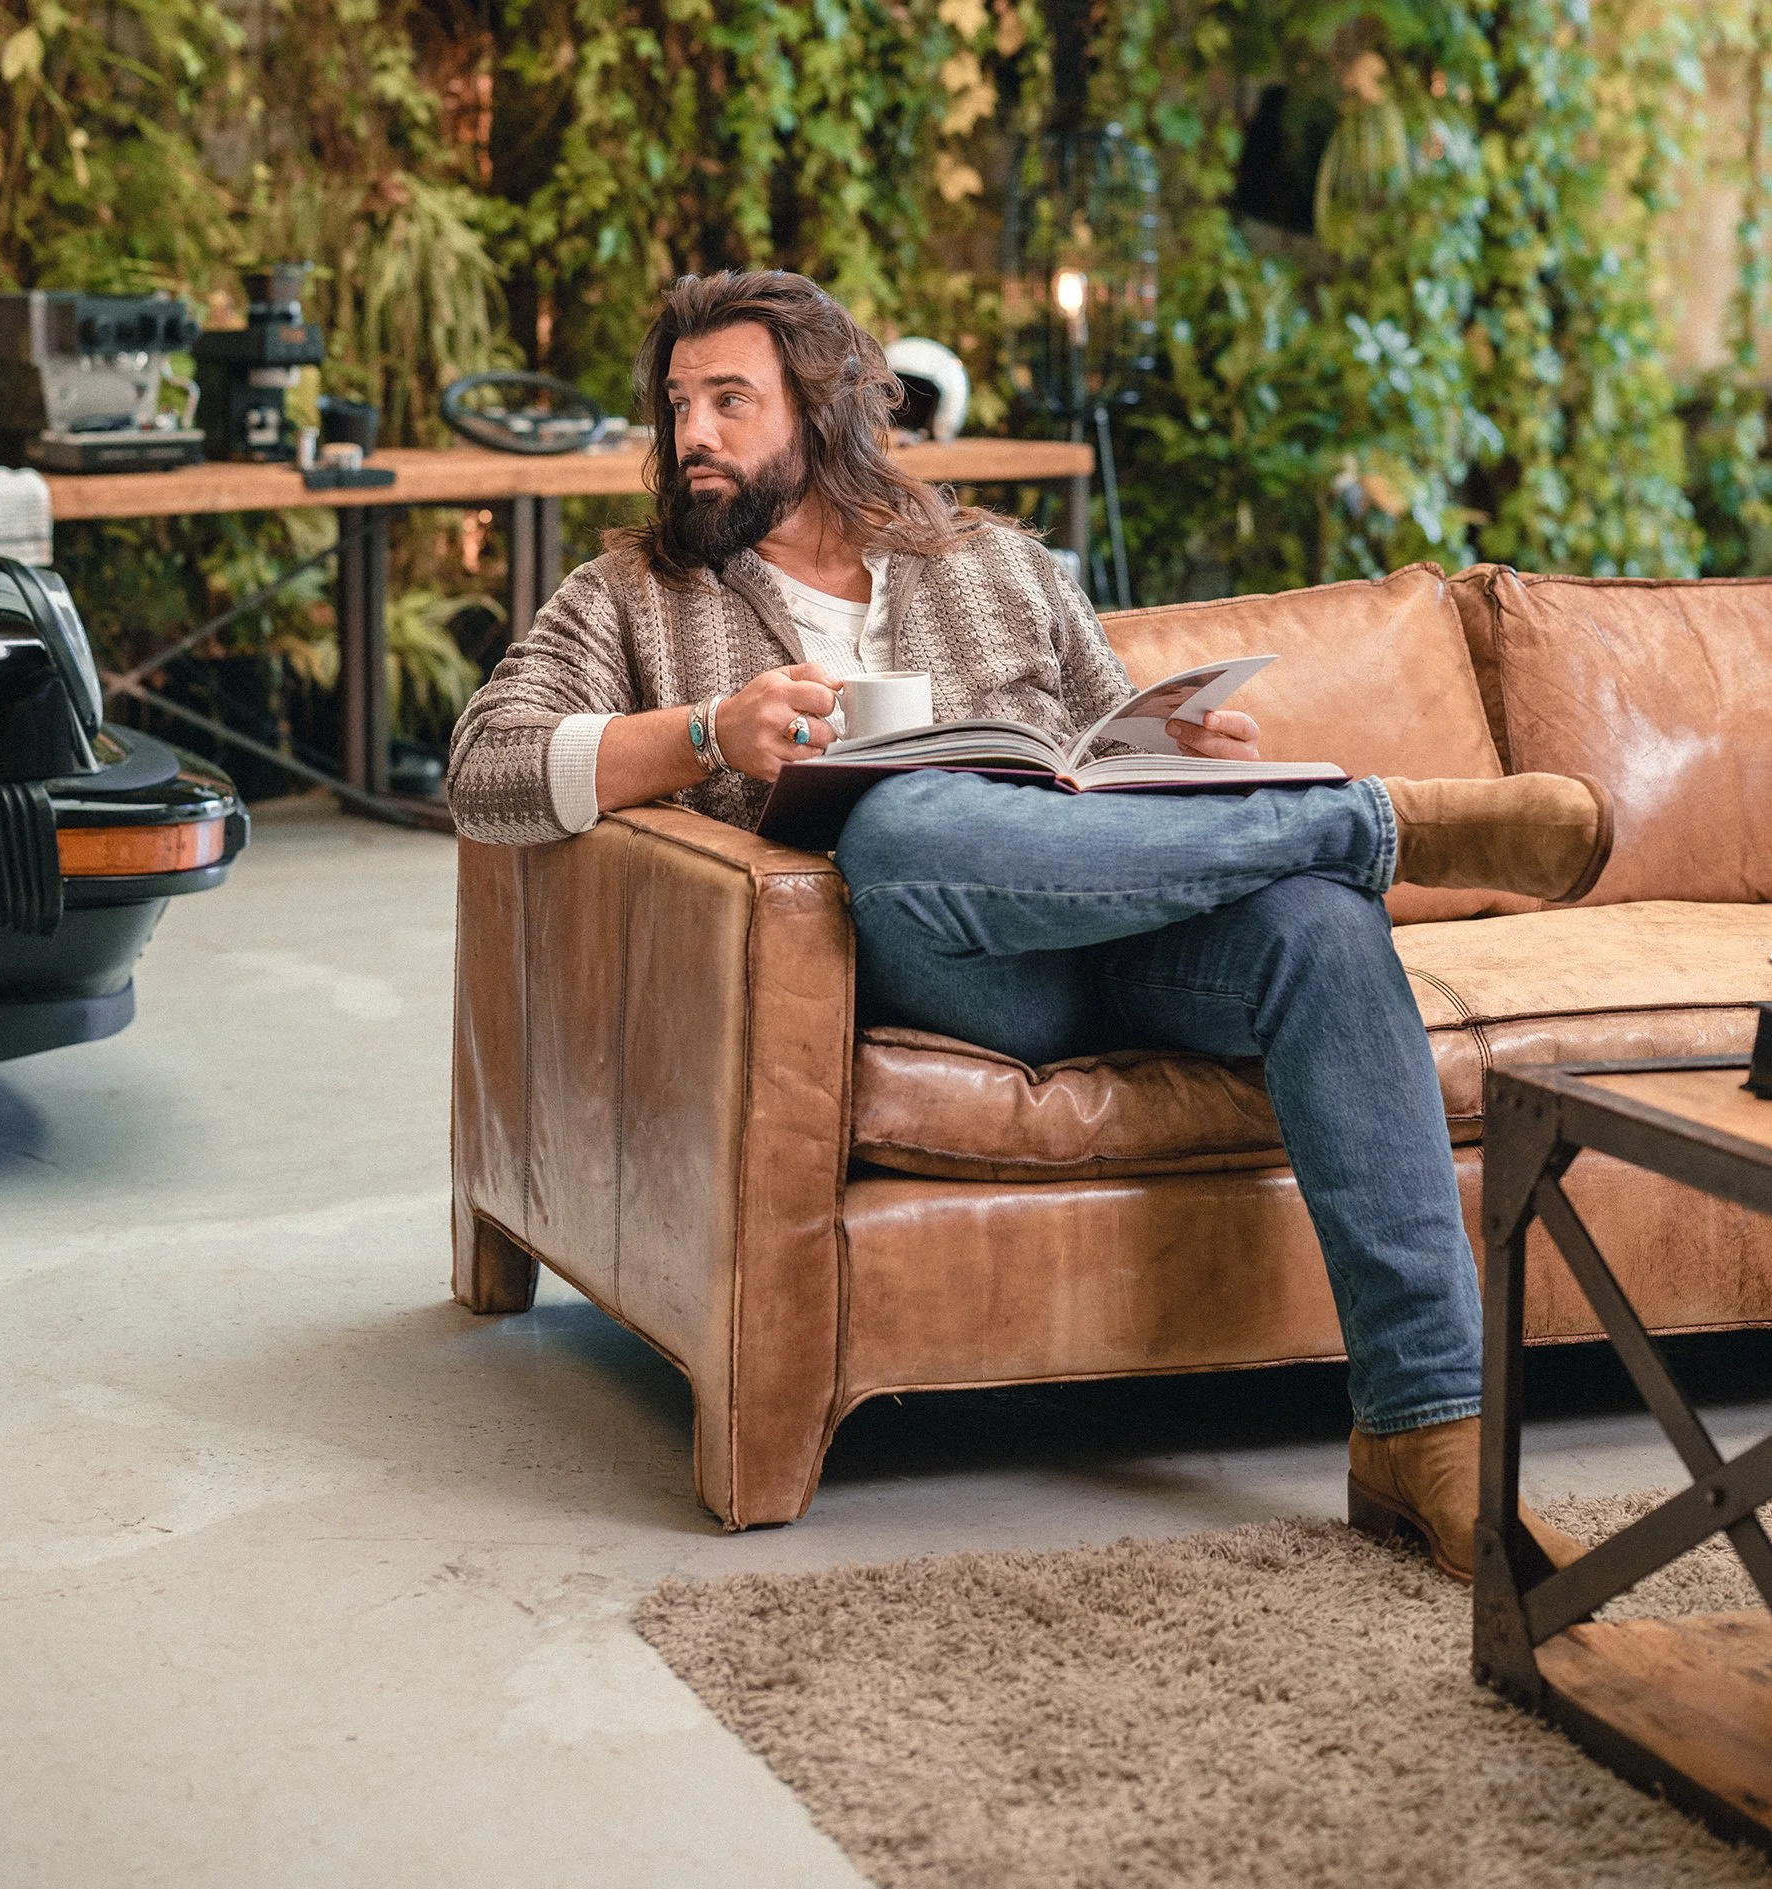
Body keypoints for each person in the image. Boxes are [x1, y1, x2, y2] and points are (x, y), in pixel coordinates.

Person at [448, 269, 1608, 1582]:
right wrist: (707, 732)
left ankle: (1427, 1433)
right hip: (950, 964)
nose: (691, 434)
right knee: (896, 824)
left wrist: (1183, 755)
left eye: (728, 399)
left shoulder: (994, 564)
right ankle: (1367, 820)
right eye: (677, 406)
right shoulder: (632, 597)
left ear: (824, 409)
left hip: (1128, 928)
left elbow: (1113, 742)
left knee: (1320, 930)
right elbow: (484, 764)